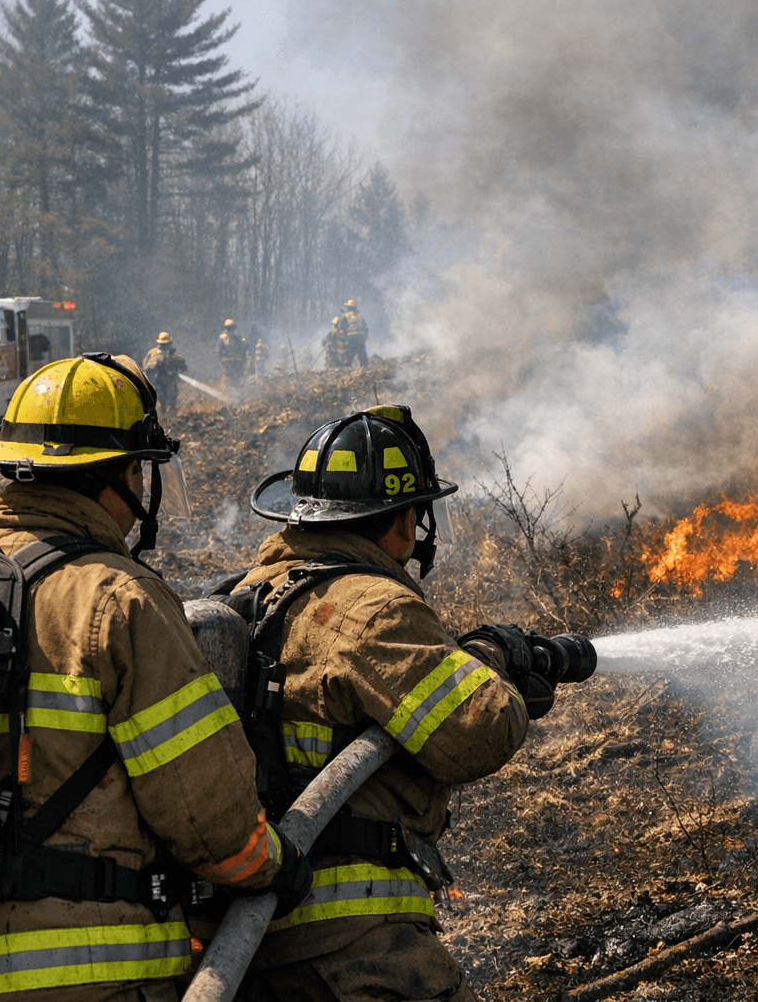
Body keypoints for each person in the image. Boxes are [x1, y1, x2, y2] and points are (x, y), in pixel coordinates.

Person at [0, 353, 307, 1002]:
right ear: (122, 476)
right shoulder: (122, 602)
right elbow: (209, 821)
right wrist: (277, 867)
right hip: (82, 979)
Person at [202, 406, 567, 1002]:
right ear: (399, 518)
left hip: (247, 947)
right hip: (356, 949)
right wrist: (492, 659)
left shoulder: (248, 597)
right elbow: (480, 728)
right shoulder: (369, 607)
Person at [143, 331, 188, 412]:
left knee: (171, 400)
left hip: (170, 381)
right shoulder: (152, 353)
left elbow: (183, 368)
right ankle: (163, 415)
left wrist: (179, 363)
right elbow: (145, 367)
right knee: (160, 400)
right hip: (157, 382)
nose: (164, 346)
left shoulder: (174, 355)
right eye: (162, 344)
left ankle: (172, 416)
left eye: (166, 344)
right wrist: (155, 365)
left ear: (170, 343)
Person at [218, 318, 248, 387]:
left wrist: (221, 360)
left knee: (232, 378)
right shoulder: (239, 336)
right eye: (230, 328)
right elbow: (245, 348)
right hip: (236, 362)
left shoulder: (223, 337)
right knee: (239, 378)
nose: (230, 330)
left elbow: (218, 351)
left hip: (228, 362)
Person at [340, 299, 368, 367]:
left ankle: (347, 370)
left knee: (349, 355)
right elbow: (366, 328)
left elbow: (341, 328)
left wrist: (342, 339)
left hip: (350, 337)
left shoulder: (344, 316)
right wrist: (365, 337)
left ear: (348, 307)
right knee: (362, 355)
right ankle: (364, 370)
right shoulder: (360, 316)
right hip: (360, 336)